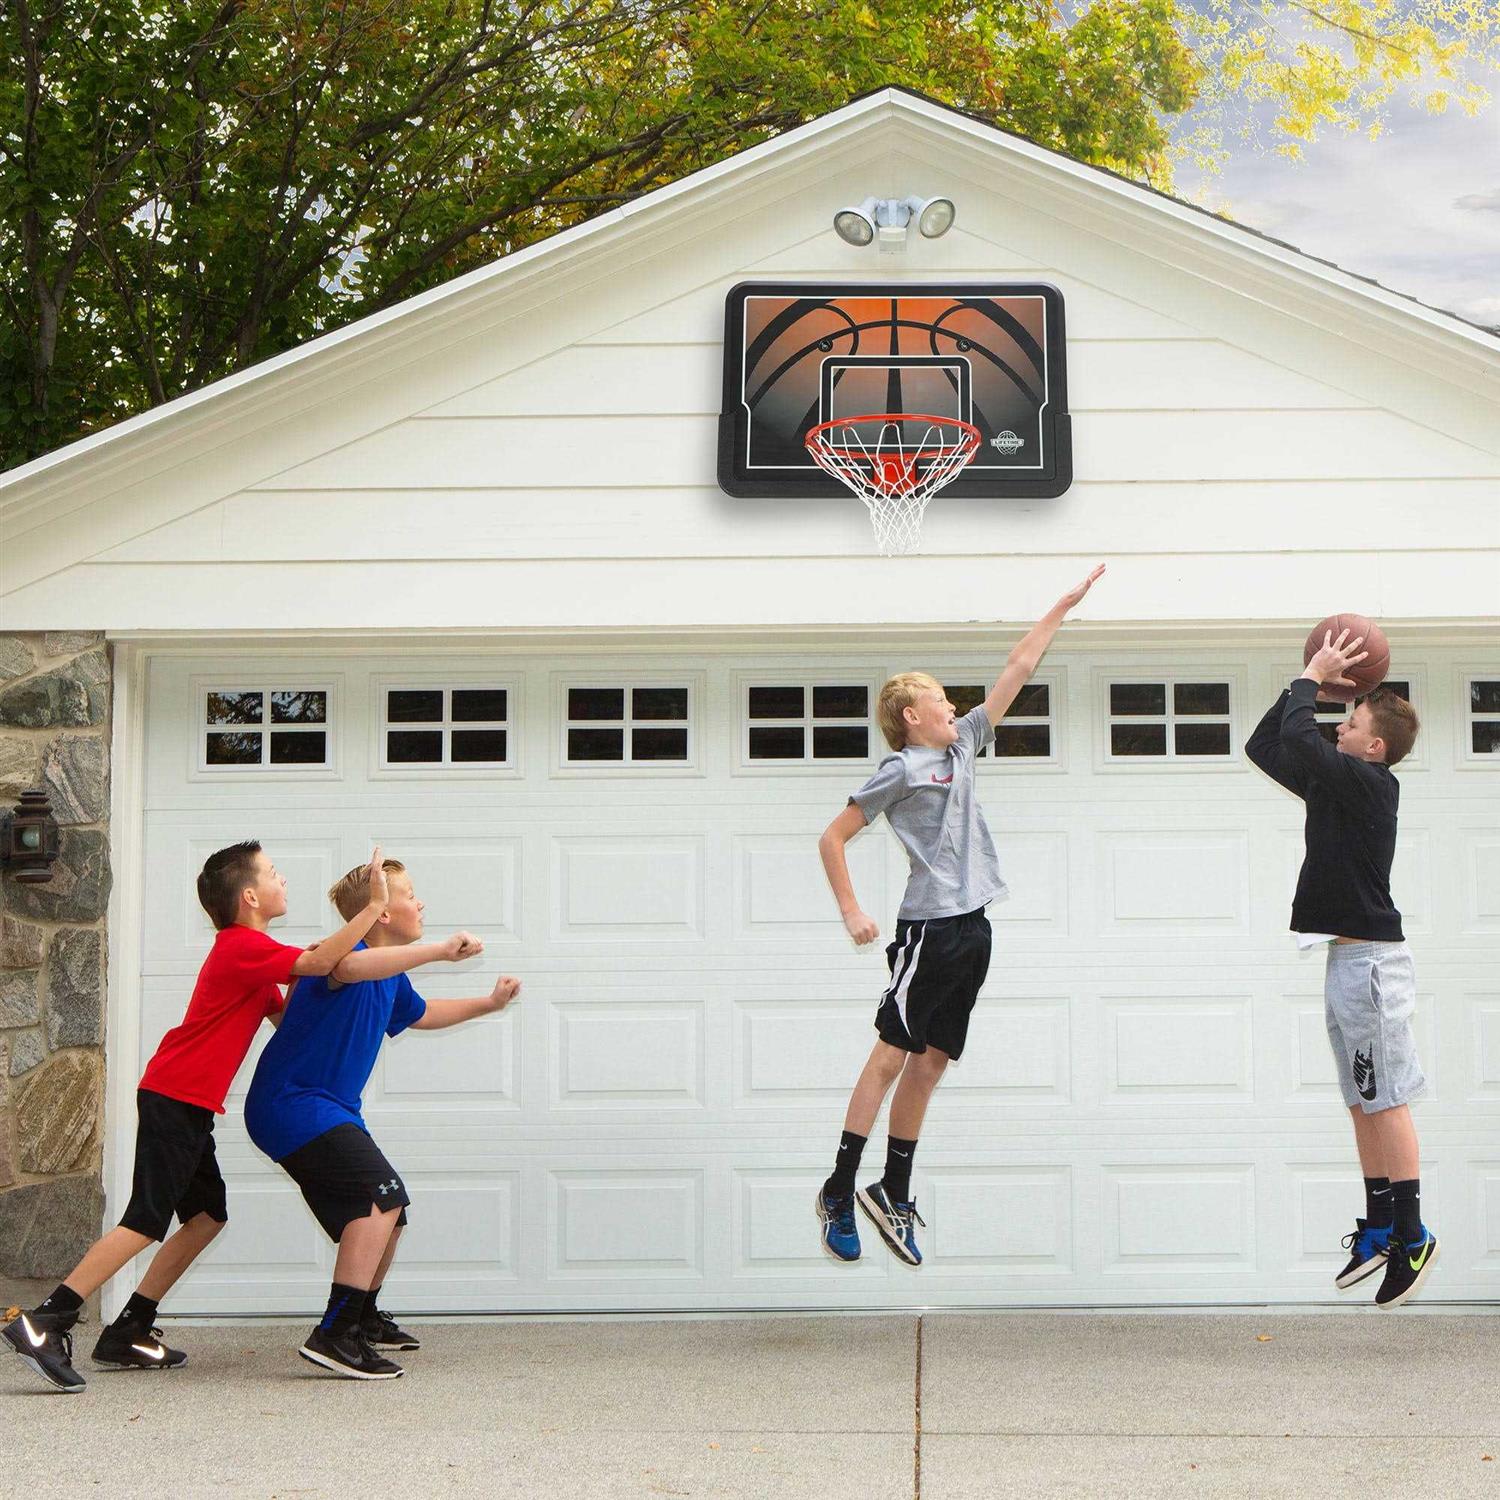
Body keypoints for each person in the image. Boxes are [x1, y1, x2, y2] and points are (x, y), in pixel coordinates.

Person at [3, 842, 387, 1392]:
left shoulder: (256, 958)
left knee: (207, 1216)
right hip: (174, 1095)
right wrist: (371, 909)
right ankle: (46, 1320)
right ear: (250, 896)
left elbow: (294, 1017)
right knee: (145, 1219)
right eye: (274, 873)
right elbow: (320, 963)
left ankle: (129, 1327)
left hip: (188, 1101)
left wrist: (344, 998)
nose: (284, 880)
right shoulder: (241, 946)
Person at [815, 565, 1105, 1265]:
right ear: (912, 717)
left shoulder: (966, 746)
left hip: (974, 928)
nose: (954, 708)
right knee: (891, 1055)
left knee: (933, 1060)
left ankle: (893, 1190)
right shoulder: (902, 770)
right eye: (940, 702)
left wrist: (1060, 607)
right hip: (929, 929)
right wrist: (853, 909)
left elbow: (1018, 666)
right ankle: (840, 1185)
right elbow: (833, 836)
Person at [244, 857, 520, 1379]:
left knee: (390, 1214)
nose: (421, 904)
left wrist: (489, 1003)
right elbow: (348, 969)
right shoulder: (340, 956)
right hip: (292, 1105)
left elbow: (421, 1014)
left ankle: (361, 1320)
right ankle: (334, 1333)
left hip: (328, 1110)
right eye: (411, 895)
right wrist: (439, 951)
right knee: (380, 1196)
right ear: (383, 913)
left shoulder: (390, 976)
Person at [1246, 631, 1434, 1307]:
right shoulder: (1339, 780)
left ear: (1373, 746)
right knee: (1361, 1098)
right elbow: (1267, 746)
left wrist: (1311, 678)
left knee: (1385, 1097)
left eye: (1348, 721)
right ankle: (1381, 1221)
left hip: (1374, 967)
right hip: (1343, 959)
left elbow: (1299, 740)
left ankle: (1412, 1234)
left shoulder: (1369, 784)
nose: (1337, 725)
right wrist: (1307, 691)